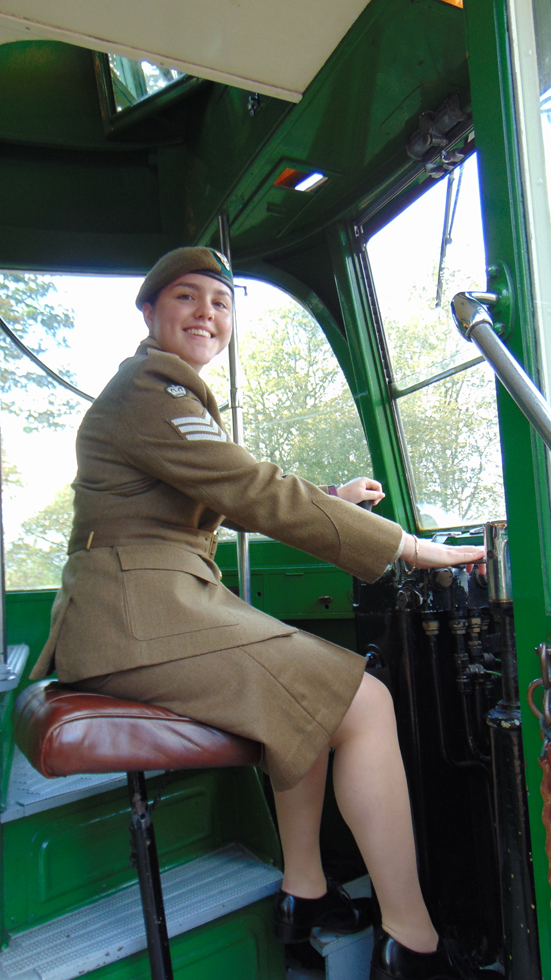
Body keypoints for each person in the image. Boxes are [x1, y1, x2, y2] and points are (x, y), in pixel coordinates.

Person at [31, 247, 498, 980]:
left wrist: (331, 503)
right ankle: (413, 942)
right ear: (149, 313)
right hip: (136, 615)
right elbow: (248, 487)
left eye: (219, 304)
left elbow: (225, 486)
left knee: (308, 696)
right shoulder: (152, 389)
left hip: (150, 604)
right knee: (363, 701)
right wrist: (408, 548)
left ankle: (304, 893)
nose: (205, 314)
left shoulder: (166, 397)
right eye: (186, 298)